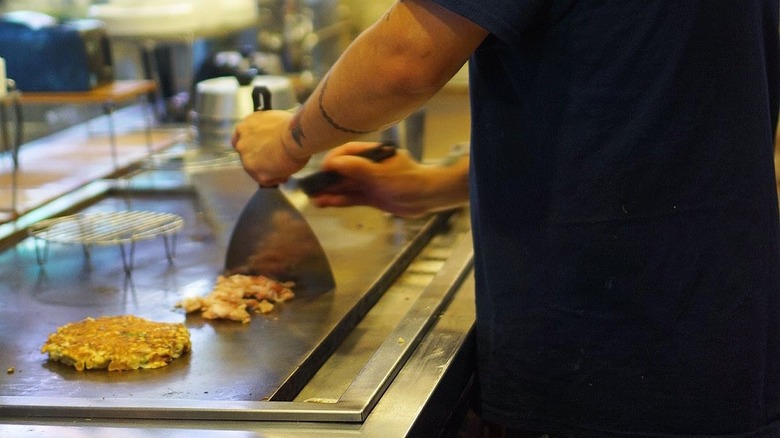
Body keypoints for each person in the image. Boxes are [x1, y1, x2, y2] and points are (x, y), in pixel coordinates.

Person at [232, 1, 780, 436]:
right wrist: (434, 187)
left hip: (604, 355)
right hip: (723, 333)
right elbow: (657, 100)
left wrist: (287, 139)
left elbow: (405, 60)